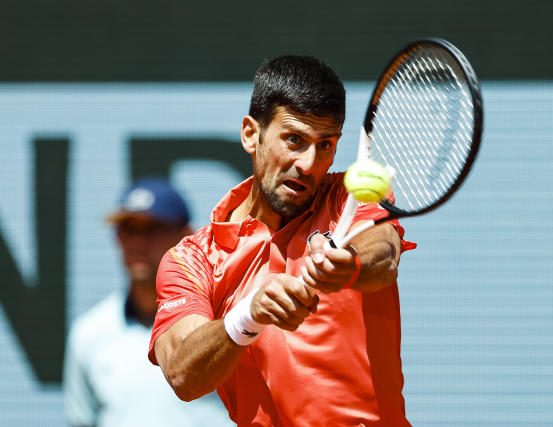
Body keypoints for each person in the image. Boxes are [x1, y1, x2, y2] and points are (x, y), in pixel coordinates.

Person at [149, 56, 416, 426]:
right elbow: (181, 374)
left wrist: (349, 265)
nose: (308, 163)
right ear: (250, 135)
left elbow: (384, 255)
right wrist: (247, 316)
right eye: (294, 140)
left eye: (325, 145)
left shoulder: (350, 197)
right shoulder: (191, 261)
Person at [63, 178, 234, 427]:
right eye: (128, 230)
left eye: (153, 229)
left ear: (187, 236)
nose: (138, 243)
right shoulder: (89, 332)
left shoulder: (225, 324)